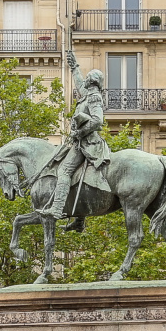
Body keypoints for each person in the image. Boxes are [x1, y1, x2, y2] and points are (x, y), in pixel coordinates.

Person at [46, 50, 111, 222]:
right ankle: (79, 222)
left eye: (88, 77)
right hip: (81, 142)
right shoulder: (87, 95)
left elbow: (97, 120)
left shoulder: (94, 97)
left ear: (92, 81)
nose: (85, 79)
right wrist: (74, 66)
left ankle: (57, 208)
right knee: (77, 175)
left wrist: (79, 132)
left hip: (88, 143)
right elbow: (78, 84)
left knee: (65, 170)